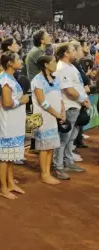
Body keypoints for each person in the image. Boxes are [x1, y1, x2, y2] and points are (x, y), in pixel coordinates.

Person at [53, 42, 90, 179]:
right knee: (63, 139)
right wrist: (83, 99)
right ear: (66, 53)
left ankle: (68, 162)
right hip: (69, 106)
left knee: (70, 138)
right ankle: (58, 167)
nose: (75, 51)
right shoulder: (62, 68)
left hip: (76, 105)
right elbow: (69, 91)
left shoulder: (71, 66)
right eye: (72, 50)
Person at [0, 51, 29, 200]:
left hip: (14, 122)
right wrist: (21, 101)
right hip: (7, 123)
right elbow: (7, 103)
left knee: (10, 157)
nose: (20, 61)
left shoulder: (10, 78)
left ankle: (10, 183)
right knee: (4, 157)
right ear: (9, 63)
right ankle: (3, 187)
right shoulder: (4, 80)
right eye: (18, 59)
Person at [31, 55, 64, 185]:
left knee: (50, 147)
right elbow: (42, 102)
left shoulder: (56, 79)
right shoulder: (37, 80)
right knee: (44, 147)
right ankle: (44, 174)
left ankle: (48, 172)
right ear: (46, 65)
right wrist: (57, 114)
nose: (56, 64)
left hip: (53, 116)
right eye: (54, 62)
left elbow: (60, 98)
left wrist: (63, 111)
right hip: (43, 118)